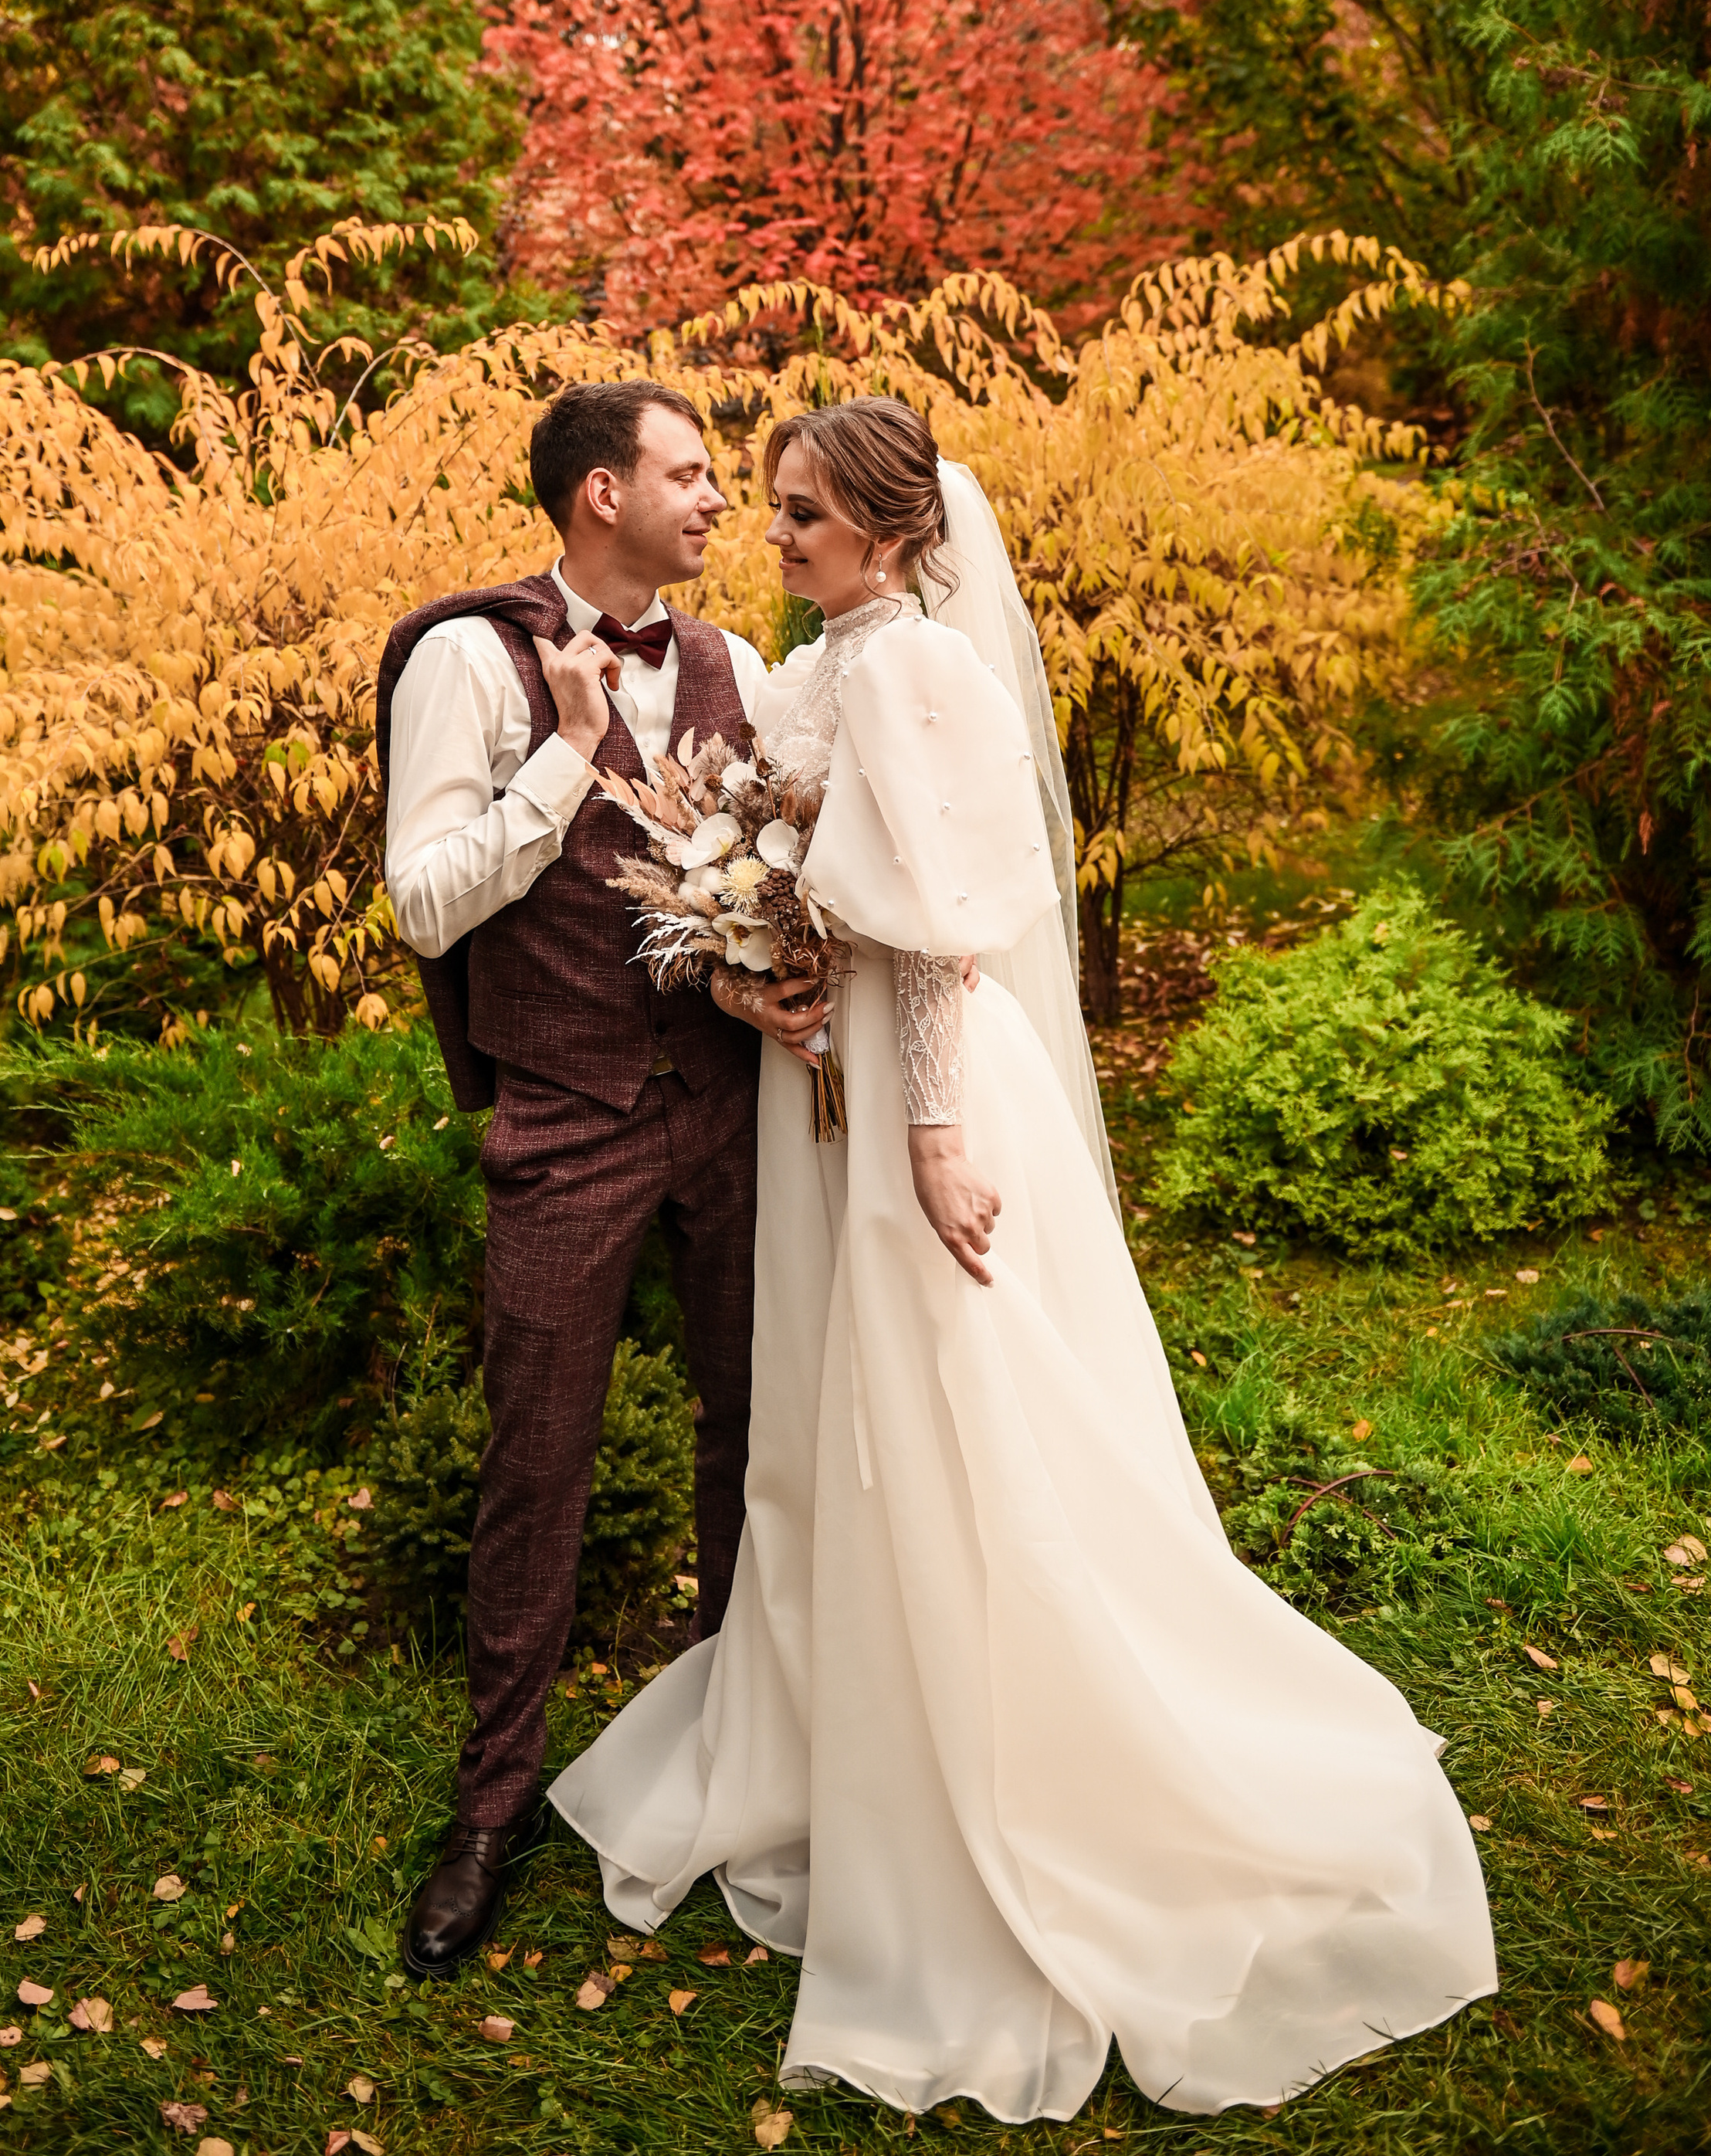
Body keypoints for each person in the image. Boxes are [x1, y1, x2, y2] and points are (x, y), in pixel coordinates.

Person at [551, 396, 1498, 2123]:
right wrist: (754, 966)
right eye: (765, 509)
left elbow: (934, 926)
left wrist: (925, 1134)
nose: (775, 538)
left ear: (895, 537)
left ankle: (997, 1765)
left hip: (923, 1103)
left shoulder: (913, 671)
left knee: (952, 1422)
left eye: (807, 520)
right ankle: (845, 1741)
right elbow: (790, 867)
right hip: (818, 1079)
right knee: (834, 1415)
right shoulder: (821, 659)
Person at [378, 379, 828, 1980]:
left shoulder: (733, 663)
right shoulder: (462, 657)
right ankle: (491, 1805)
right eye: (688, 474)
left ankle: (729, 1755)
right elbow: (427, 905)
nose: (720, 501)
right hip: (566, 1117)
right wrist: (564, 756)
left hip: (730, 1106)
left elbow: (781, 858)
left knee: (753, 1428)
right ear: (595, 497)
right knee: (536, 1457)